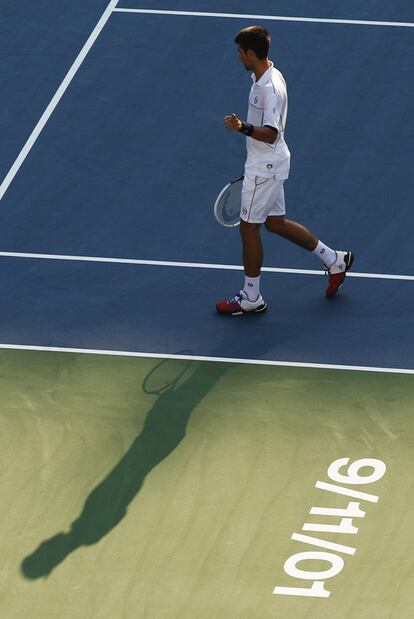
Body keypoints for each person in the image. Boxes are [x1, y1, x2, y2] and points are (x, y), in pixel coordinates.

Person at [216, 25, 353, 315]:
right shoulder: (265, 76)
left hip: (265, 165)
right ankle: (334, 260)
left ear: (251, 53)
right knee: (276, 222)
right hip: (269, 162)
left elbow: (271, 133)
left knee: (249, 228)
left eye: (240, 53)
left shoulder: (270, 89)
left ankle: (251, 297)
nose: (238, 58)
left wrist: (243, 127)